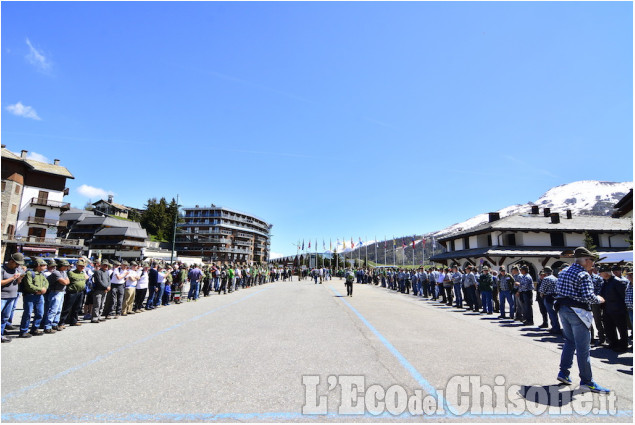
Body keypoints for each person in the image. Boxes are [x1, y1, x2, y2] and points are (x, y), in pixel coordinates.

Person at [554, 247, 609, 393]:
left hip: (563, 310)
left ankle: (564, 373)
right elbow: (588, 296)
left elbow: (558, 291)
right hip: (577, 312)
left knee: (569, 342)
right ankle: (587, 381)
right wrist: (600, 299)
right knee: (583, 348)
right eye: (591, 260)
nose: (593, 263)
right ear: (585, 260)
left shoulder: (564, 271)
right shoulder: (583, 274)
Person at [599, 265, 629, 353]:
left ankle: (623, 345)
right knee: (609, 328)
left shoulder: (617, 282)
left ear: (606, 273)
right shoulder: (605, 282)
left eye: (601, 273)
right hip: (607, 309)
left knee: (622, 329)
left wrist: (622, 308)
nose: (600, 275)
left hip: (617, 309)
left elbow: (623, 296)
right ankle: (613, 343)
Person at [18, 257, 48, 338]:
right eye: (43, 265)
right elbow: (29, 285)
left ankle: (35, 329)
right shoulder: (29, 273)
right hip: (30, 296)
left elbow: (46, 282)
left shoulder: (41, 274)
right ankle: (24, 331)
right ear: (38, 265)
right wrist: (39, 289)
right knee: (27, 313)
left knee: (40, 313)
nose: (45, 267)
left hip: (40, 296)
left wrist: (44, 288)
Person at [1, 253, 26, 343]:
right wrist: (12, 278)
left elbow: (20, 279)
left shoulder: (16, 269)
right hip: (2, 297)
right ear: (11, 261)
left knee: (5, 317)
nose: (18, 266)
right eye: (16, 264)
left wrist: (19, 278)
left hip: (12, 296)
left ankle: (1, 334)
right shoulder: (2, 269)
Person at [42, 259, 70, 332]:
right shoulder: (56, 273)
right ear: (61, 266)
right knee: (53, 310)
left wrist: (66, 281)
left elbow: (68, 281)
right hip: (55, 292)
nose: (67, 267)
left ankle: (55, 324)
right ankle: (48, 326)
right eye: (65, 266)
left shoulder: (64, 272)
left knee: (59, 310)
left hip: (61, 292)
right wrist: (65, 281)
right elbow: (64, 282)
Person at [538, 267, 561, 334]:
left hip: (548, 297)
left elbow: (542, 290)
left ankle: (555, 328)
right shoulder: (555, 278)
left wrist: (541, 295)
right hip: (555, 296)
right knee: (555, 313)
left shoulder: (546, 279)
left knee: (551, 313)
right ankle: (556, 327)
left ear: (545, 273)